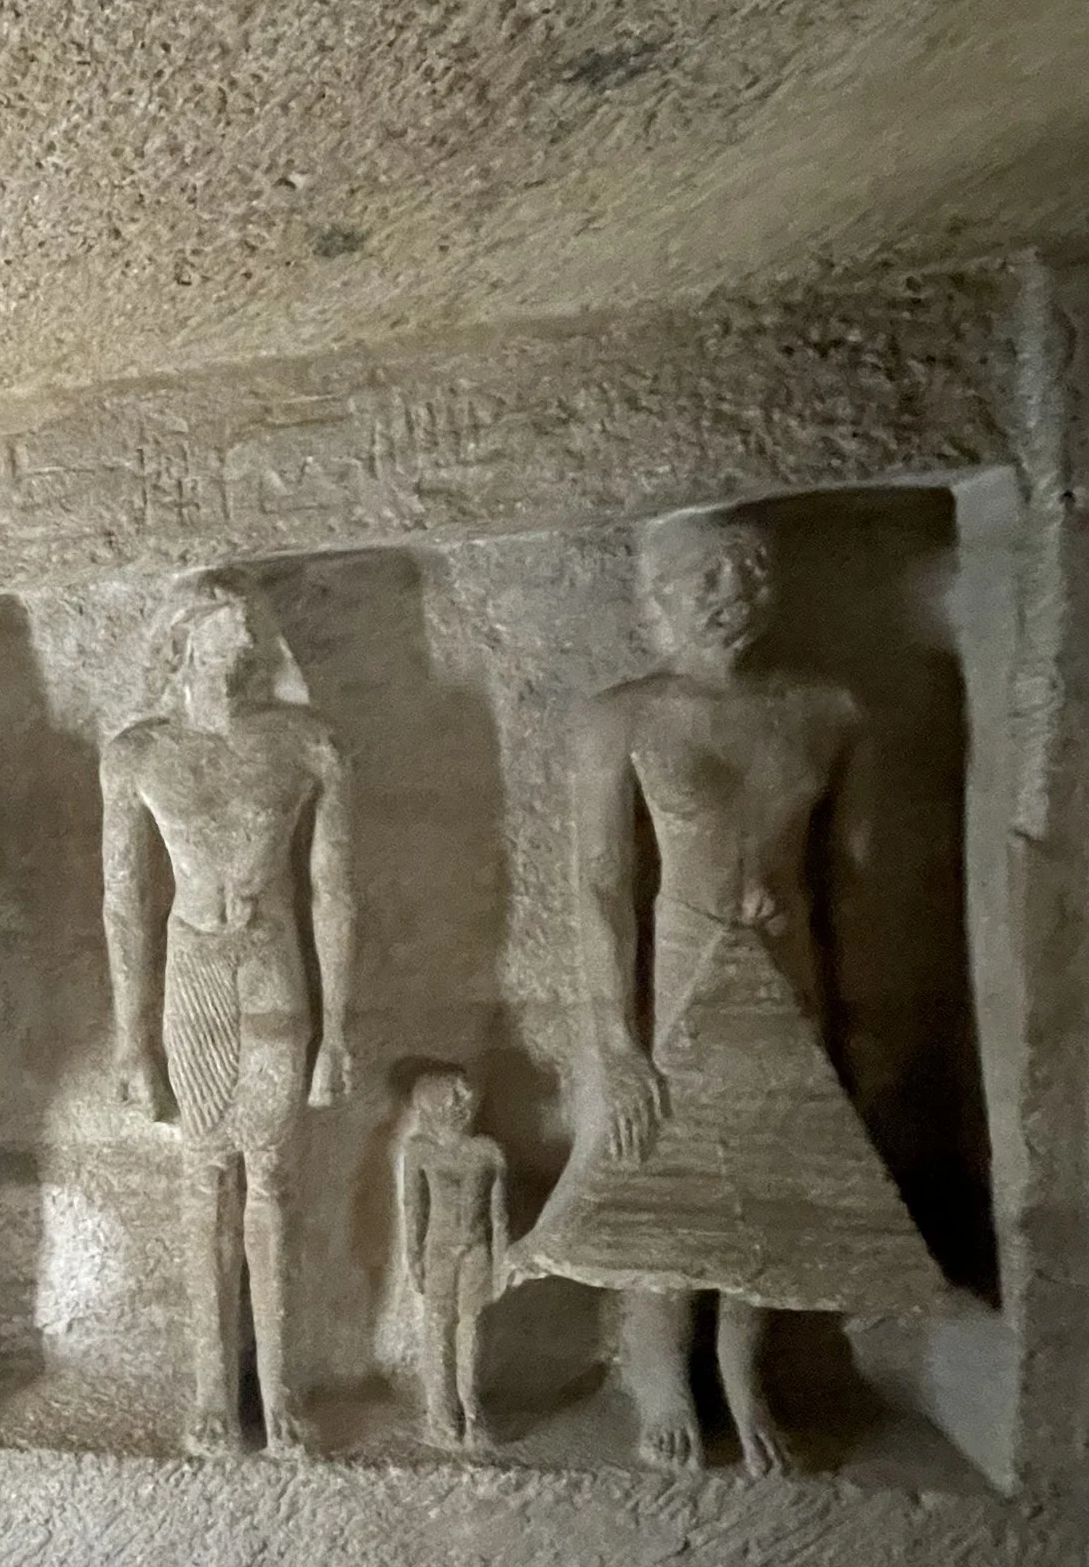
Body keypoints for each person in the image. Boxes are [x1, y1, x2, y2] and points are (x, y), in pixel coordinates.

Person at [510, 505, 947, 1472]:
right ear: (658, 598)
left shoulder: (827, 710)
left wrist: (863, 1021)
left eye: (747, 574)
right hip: (677, 974)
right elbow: (600, 890)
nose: (730, 596)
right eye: (704, 578)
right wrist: (617, 1047)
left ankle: (743, 1370)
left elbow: (854, 879)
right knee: (667, 1175)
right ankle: (662, 1373)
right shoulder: (624, 714)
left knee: (769, 1178)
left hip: (788, 969)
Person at [102, 573, 354, 1453]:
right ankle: (214, 1384)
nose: (241, 643)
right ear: (185, 639)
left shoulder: (306, 742)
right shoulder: (137, 753)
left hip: (273, 969)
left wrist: (339, 1033)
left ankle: (279, 1385)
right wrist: (131, 1040)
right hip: (193, 974)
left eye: (249, 632)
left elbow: (333, 893)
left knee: (273, 1181)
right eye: (223, 628)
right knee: (205, 1180)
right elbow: (124, 902)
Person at [395, 1070, 507, 1451]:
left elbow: (499, 1216)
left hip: (475, 1249)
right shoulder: (419, 1150)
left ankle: (473, 1412)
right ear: (430, 1107)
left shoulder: (488, 1151)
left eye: (462, 1100)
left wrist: (502, 1260)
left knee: (471, 1328)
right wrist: (412, 1255)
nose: (460, 1108)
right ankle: (442, 1415)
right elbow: (413, 1207)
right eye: (451, 1101)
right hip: (439, 1250)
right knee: (438, 1326)